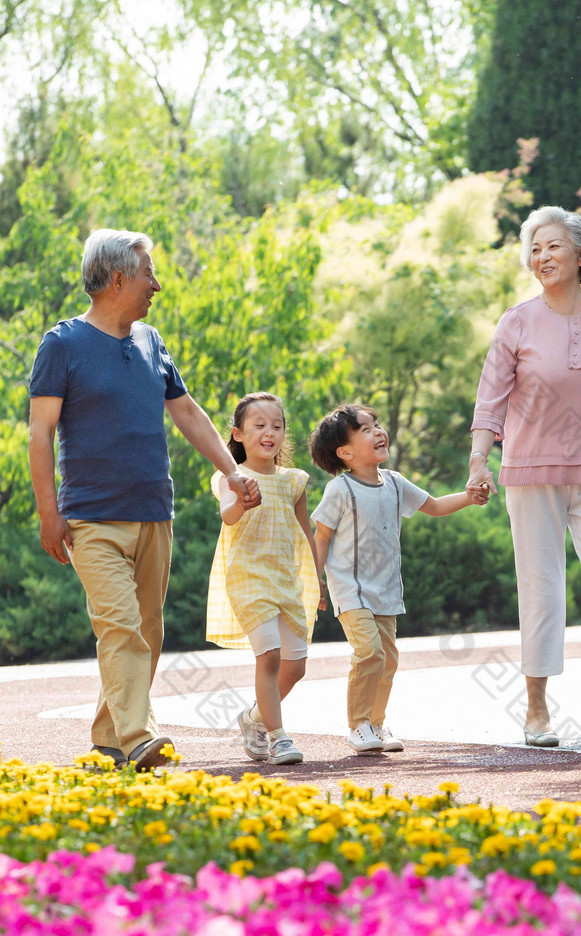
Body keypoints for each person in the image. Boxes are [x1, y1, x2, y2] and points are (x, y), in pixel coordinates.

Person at [28, 228, 260, 771]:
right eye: (147, 273)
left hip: (155, 510)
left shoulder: (151, 341)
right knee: (121, 628)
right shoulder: (61, 345)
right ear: (116, 279)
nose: (156, 284)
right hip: (90, 516)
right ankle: (138, 738)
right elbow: (40, 434)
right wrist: (48, 513)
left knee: (146, 635)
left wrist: (233, 471)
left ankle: (110, 738)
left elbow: (188, 413)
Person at [468, 204, 581, 748]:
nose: (541, 256)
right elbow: (490, 401)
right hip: (529, 475)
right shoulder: (516, 321)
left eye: (552, 246)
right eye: (534, 248)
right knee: (543, 589)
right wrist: (480, 458)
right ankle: (536, 711)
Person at [309, 404, 489, 755]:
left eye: (376, 425)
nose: (378, 432)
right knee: (369, 652)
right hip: (350, 590)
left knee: (388, 660)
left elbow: (434, 506)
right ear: (344, 452)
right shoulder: (340, 490)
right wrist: (316, 582)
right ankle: (358, 724)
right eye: (365, 429)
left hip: (387, 590)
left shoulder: (394, 482)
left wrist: (469, 497)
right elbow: (322, 537)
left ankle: (377, 722)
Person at [206, 391, 324, 765]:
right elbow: (227, 515)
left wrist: (317, 581)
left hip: (286, 579)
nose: (269, 432)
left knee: (297, 664)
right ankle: (279, 737)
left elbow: (306, 534)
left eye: (276, 426)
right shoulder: (231, 477)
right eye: (259, 425)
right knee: (269, 656)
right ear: (238, 434)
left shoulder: (294, 480)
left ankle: (255, 718)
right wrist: (242, 500)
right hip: (247, 578)